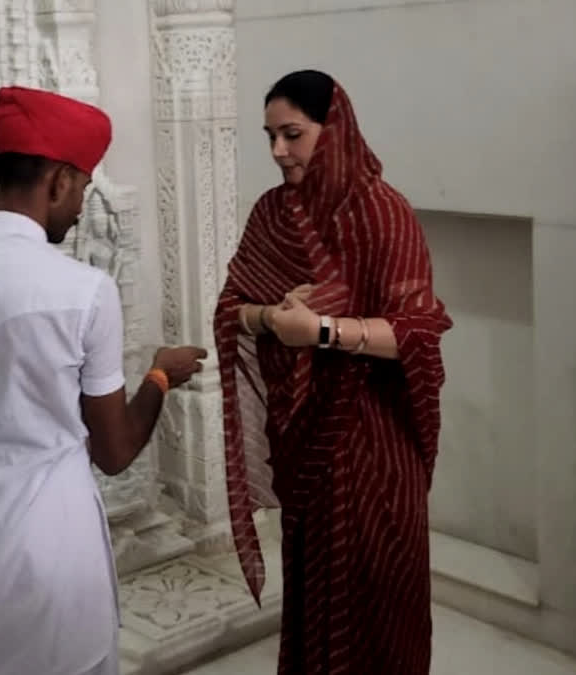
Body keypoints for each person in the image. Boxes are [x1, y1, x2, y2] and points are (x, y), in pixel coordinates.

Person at [0, 85, 207, 675]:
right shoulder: (83, 292)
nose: (82, 205)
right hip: (51, 551)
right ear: (59, 180)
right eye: (83, 187)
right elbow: (114, 450)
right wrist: (162, 376)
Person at [214, 70, 452, 674]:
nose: (277, 151)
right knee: (315, 598)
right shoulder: (273, 213)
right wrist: (271, 316)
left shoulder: (381, 212)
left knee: (378, 602)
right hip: (308, 448)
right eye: (269, 135)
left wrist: (319, 331)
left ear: (334, 128)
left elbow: (418, 332)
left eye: (292, 134)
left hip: (375, 444)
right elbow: (229, 309)